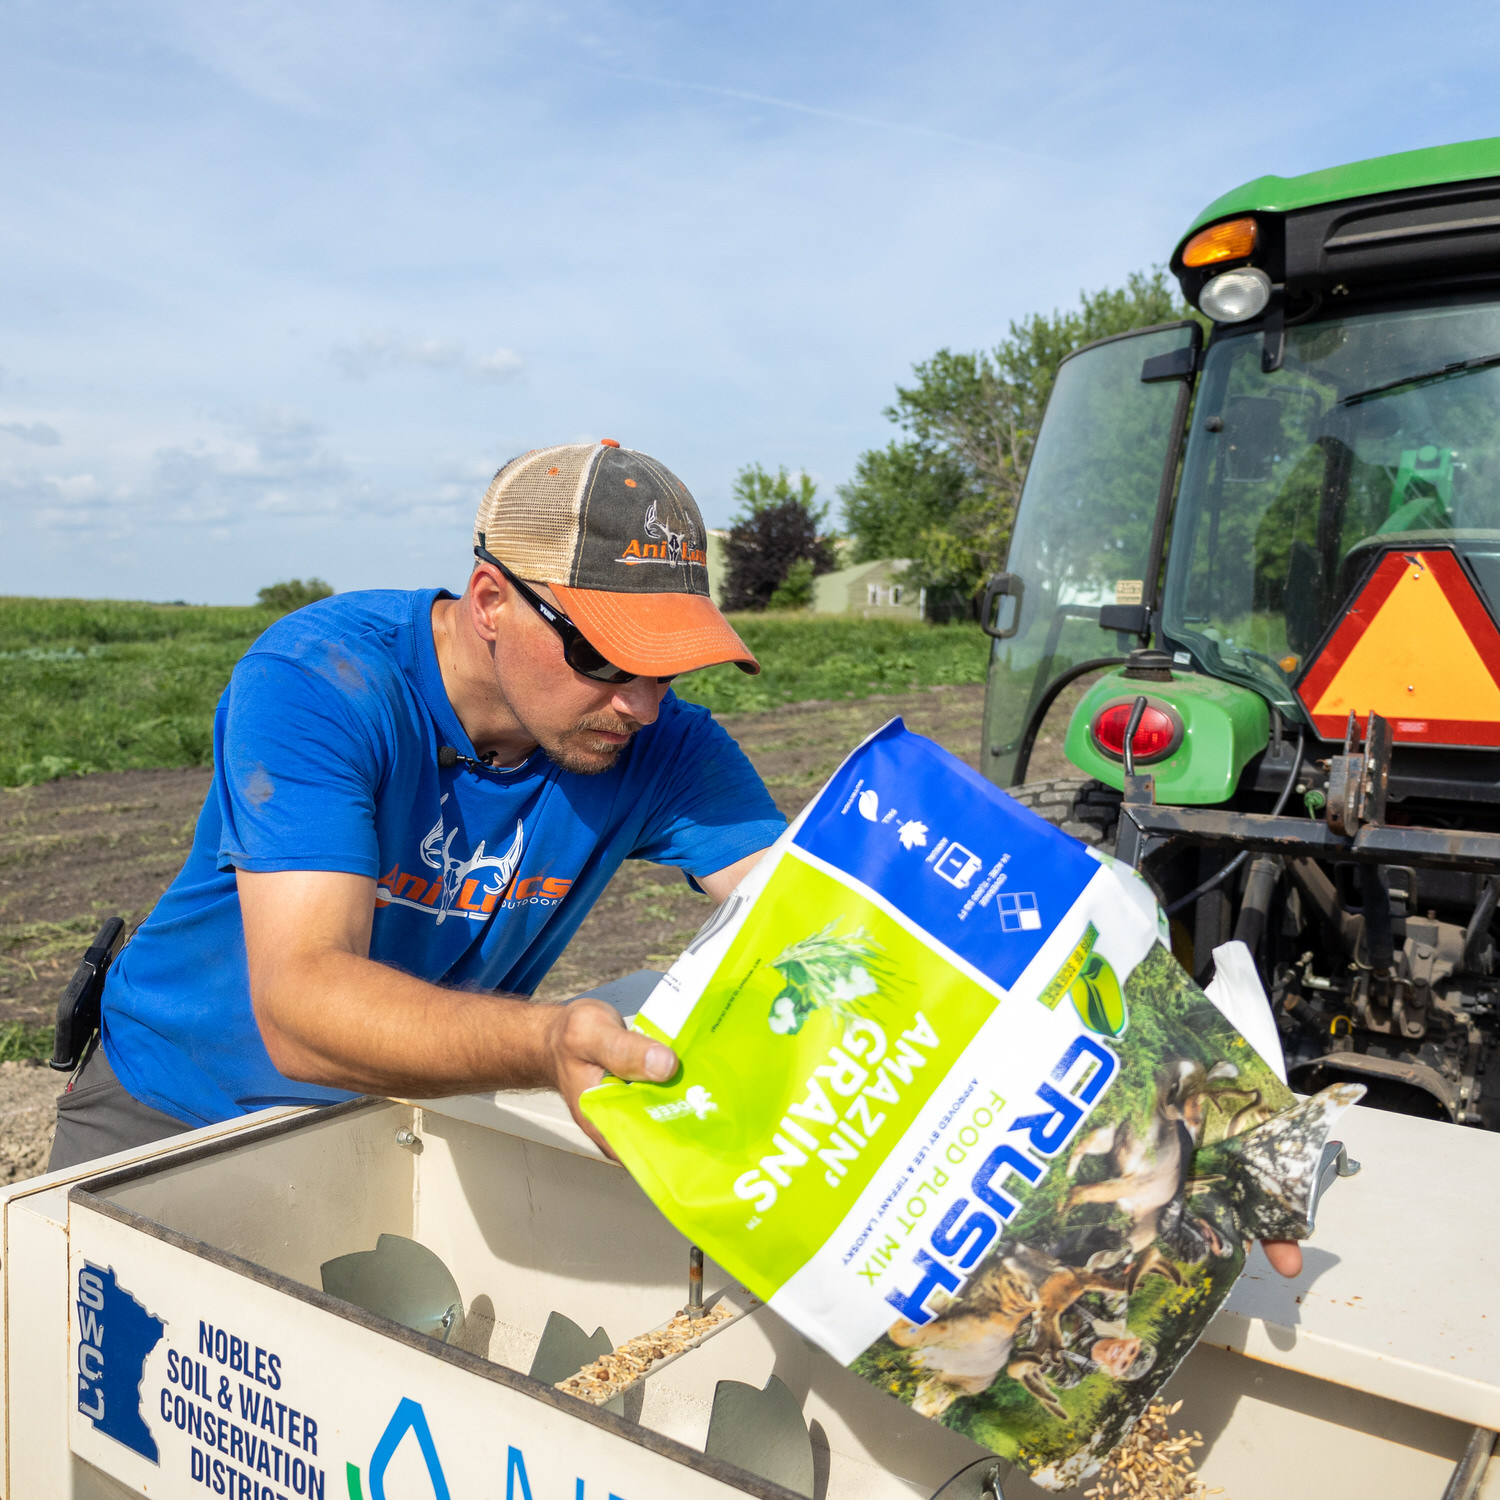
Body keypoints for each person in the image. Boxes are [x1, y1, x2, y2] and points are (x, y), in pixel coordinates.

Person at [49, 441, 786, 1170]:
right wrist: (541, 1043)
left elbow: (804, 915)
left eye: (667, 666)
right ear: (493, 601)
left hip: (398, 1118)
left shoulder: (660, 745)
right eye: (604, 657)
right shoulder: (325, 682)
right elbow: (300, 1006)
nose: (641, 706)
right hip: (172, 1107)